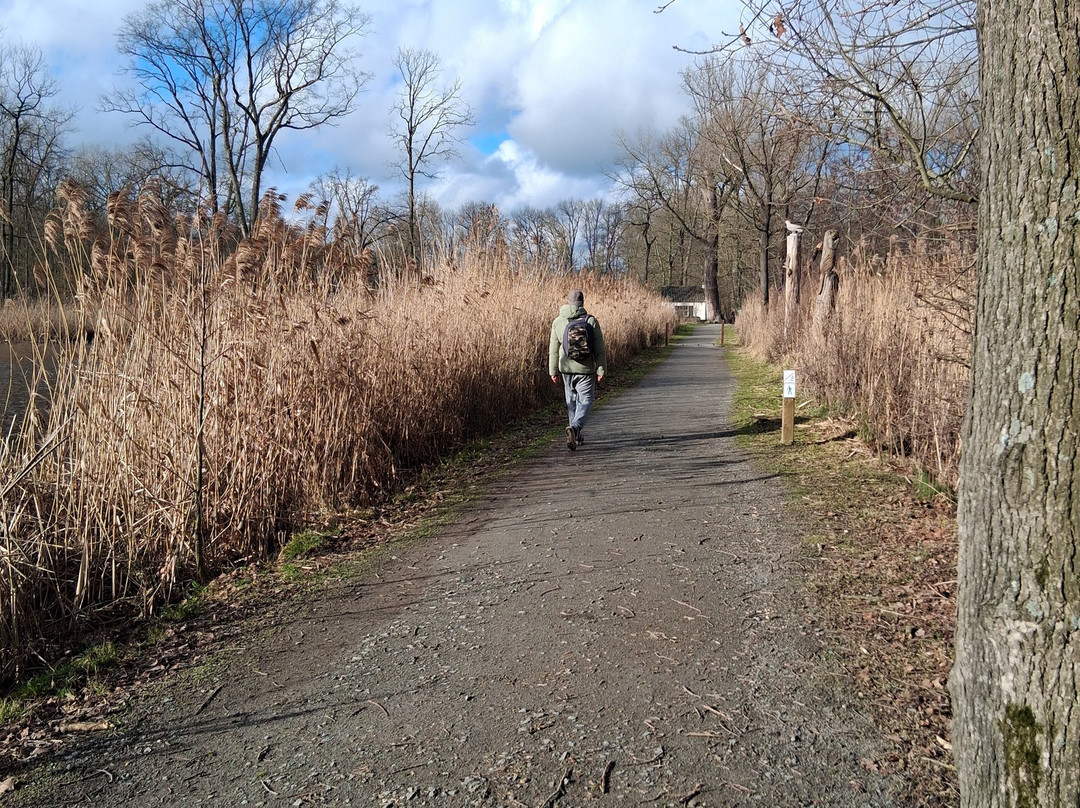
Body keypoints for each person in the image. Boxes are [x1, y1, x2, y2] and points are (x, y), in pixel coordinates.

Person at [548, 289, 606, 451]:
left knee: (571, 402)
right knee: (586, 401)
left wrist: (553, 371)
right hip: (585, 369)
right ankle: (575, 428)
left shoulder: (558, 321)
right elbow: (600, 349)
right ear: (582, 302)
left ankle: (576, 435)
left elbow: (553, 349)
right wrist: (600, 369)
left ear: (568, 301)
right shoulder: (591, 321)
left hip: (566, 369)